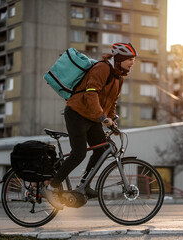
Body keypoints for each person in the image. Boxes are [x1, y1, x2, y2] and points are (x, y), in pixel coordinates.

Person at [43, 43, 137, 209]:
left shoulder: (118, 77)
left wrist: (110, 120)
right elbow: (90, 93)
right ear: (120, 59)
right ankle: (51, 187)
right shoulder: (102, 68)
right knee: (78, 153)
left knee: (101, 149)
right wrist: (102, 117)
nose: (132, 63)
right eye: (130, 59)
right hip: (77, 113)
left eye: (133, 60)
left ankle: (84, 185)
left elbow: (112, 101)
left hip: (93, 117)